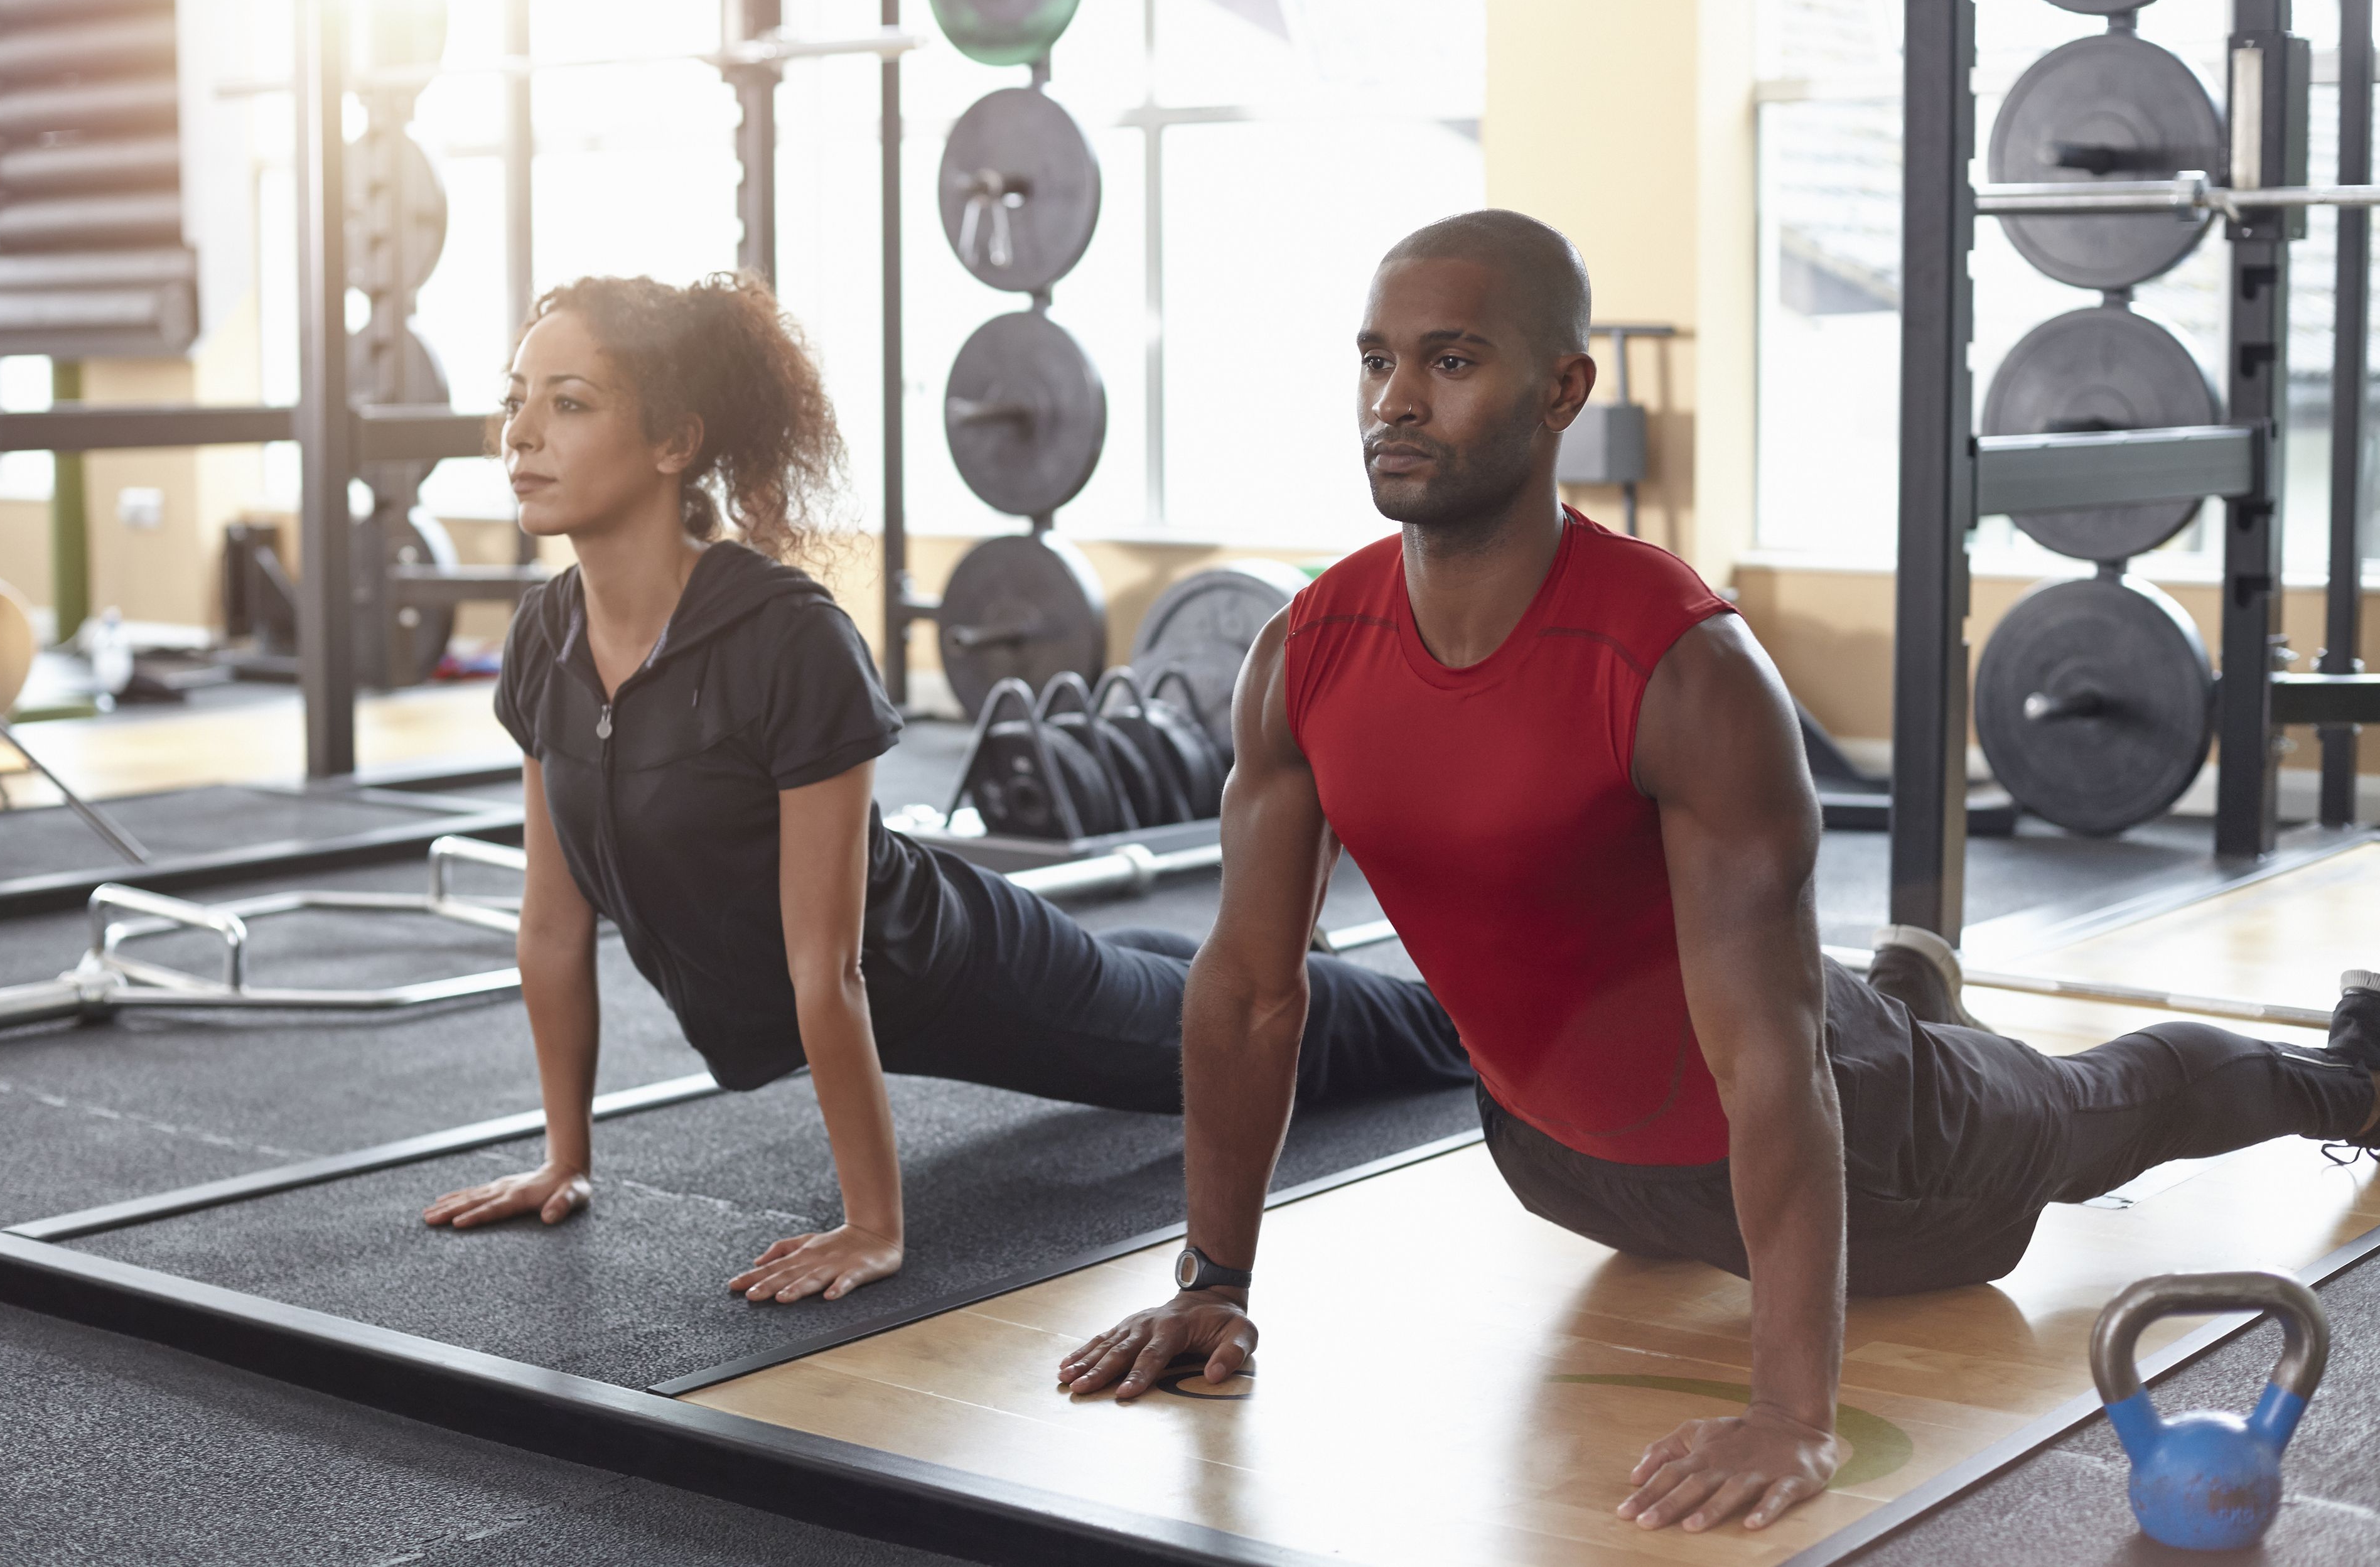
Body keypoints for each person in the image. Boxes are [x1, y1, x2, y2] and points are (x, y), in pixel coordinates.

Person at [1057, 210, 2380, 1536]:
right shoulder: (1305, 649)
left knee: (2099, 1106)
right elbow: (1244, 992)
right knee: (1803, 1004)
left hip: (1885, 1169)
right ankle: (1916, 1001)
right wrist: (1213, 1280)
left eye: (1451, 363)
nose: (1395, 402)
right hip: (1556, 1162)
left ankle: (2349, 1079)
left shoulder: (1680, 666)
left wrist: (1792, 1416)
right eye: (1376, 361)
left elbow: (1775, 1069)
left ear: (1564, 389)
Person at [421, 272, 1468, 1305]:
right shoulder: (544, 637)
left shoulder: (787, 640)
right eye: (517, 398)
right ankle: (1232, 959)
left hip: (952, 971)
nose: (519, 434)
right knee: (1155, 970)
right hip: (889, 975)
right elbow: (553, 927)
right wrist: (567, 1158)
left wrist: (874, 1226)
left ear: (674, 442)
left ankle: (1459, 1024)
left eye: (569, 403)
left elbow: (828, 965)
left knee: (1206, 1035)